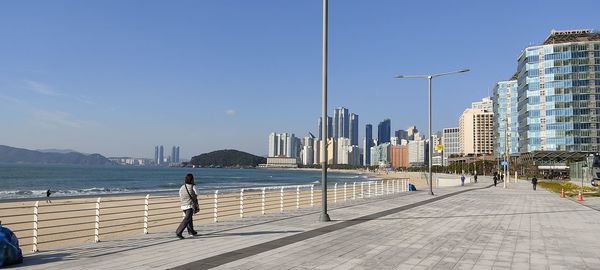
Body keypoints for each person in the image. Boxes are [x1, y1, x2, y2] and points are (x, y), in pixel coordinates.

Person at [175, 174, 199, 239]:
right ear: (192, 179)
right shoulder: (193, 186)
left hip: (183, 205)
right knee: (187, 219)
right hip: (190, 205)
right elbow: (197, 193)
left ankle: (191, 231)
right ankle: (178, 232)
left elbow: (180, 194)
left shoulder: (182, 187)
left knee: (189, 218)